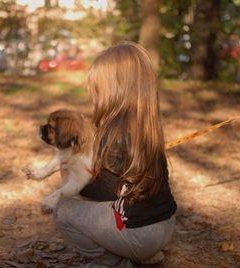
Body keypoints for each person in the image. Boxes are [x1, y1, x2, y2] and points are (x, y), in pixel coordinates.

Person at [53, 41, 177, 268]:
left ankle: (113, 262)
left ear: (113, 90)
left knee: (63, 209)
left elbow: (110, 193)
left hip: (142, 234)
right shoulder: (145, 126)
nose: (94, 97)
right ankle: (145, 254)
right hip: (166, 224)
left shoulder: (112, 132)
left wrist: (75, 178)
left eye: (97, 91)